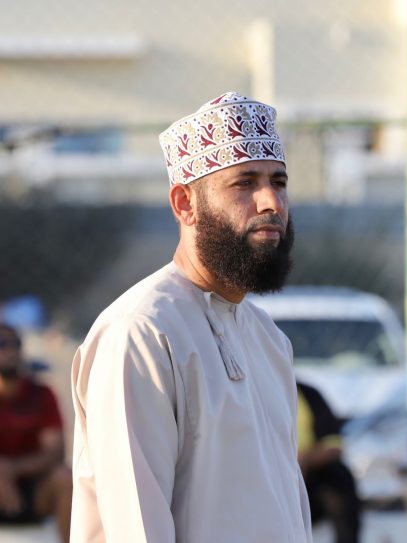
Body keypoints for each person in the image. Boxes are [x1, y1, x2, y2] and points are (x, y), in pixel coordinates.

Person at [71, 91, 312, 542]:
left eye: (278, 182)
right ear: (185, 203)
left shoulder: (268, 338)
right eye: (244, 184)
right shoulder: (141, 332)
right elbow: (137, 526)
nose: (271, 203)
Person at [0, 323, 72, 543]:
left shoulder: (41, 394)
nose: (10, 350)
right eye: (2, 344)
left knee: (65, 479)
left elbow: (55, 452)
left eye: (15, 343)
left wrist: (12, 469)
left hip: (33, 488)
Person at [297, 381, 361, 543]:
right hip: (263, 482)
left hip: (306, 480)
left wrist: (305, 459)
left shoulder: (307, 393)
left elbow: (334, 446)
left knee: (338, 475)